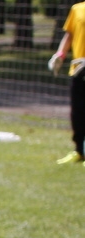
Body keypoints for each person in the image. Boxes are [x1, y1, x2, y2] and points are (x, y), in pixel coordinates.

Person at [51, 0, 85, 165]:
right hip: (79, 69)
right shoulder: (77, 9)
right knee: (77, 114)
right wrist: (60, 55)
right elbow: (69, 34)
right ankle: (79, 151)